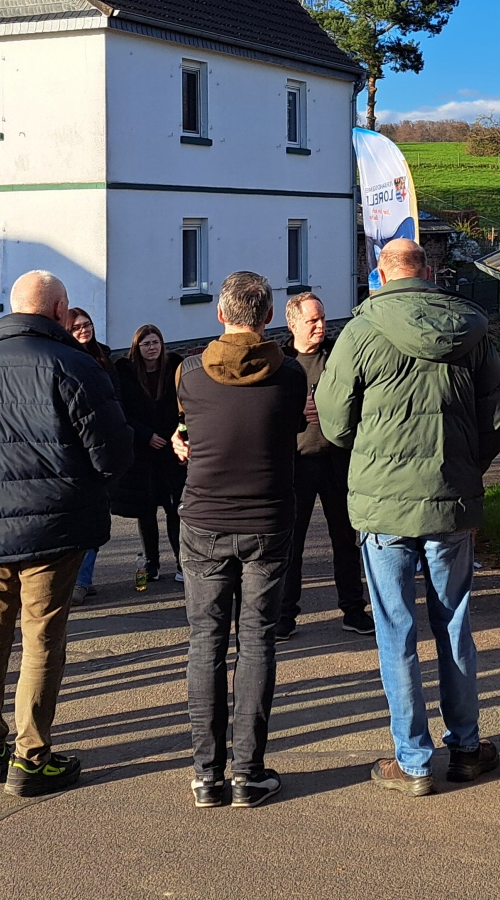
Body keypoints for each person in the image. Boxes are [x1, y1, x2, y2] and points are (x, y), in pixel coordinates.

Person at [316, 238, 500, 797]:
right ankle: (468, 745)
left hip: (382, 504)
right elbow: (495, 412)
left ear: (378, 273)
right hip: (450, 499)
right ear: (427, 270)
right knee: (453, 623)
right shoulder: (470, 328)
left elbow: (333, 422)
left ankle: (414, 760)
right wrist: (463, 465)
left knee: (396, 629)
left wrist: (372, 453)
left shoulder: (361, 330)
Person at [0, 270, 130, 797]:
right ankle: (31, 756)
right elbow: (113, 452)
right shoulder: (74, 365)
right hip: (53, 522)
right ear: (57, 311)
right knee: (41, 636)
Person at [172, 271, 307, 807]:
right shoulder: (291, 376)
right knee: (256, 641)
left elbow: (195, 424)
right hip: (268, 519)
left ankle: (208, 774)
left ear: (221, 315)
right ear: (269, 317)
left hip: (204, 516)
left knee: (205, 643)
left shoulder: (189, 374)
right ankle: (249, 773)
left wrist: (186, 438)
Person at [279, 293, 372, 638]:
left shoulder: (337, 356)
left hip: (337, 460)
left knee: (346, 539)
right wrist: (294, 413)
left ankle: (353, 610)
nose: (321, 326)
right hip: (297, 462)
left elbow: (362, 396)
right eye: (312, 321)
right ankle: (285, 615)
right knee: (292, 543)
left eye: (322, 319)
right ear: (293, 324)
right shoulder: (281, 361)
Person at [116, 323, 187, 594]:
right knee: (145, 511)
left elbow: (183, 407)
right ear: (137, 347)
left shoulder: (174, 368)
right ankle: (151, 563)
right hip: (143, 451)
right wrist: (145, 435)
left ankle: (182, 563)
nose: (151, 348)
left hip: (170, 449)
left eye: (155, 342)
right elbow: (123, 410)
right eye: (146, 344)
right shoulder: (126, 372)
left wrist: (176, 436)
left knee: (174, 508)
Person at [65, 307, 121, 602]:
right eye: (76, 327)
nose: (84, 330)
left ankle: (83, 578)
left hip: (102, 444)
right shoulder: (64, 360)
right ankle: (76, 579)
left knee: (98, 515)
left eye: (87, 325)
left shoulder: (104, 358)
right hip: (77, 449)